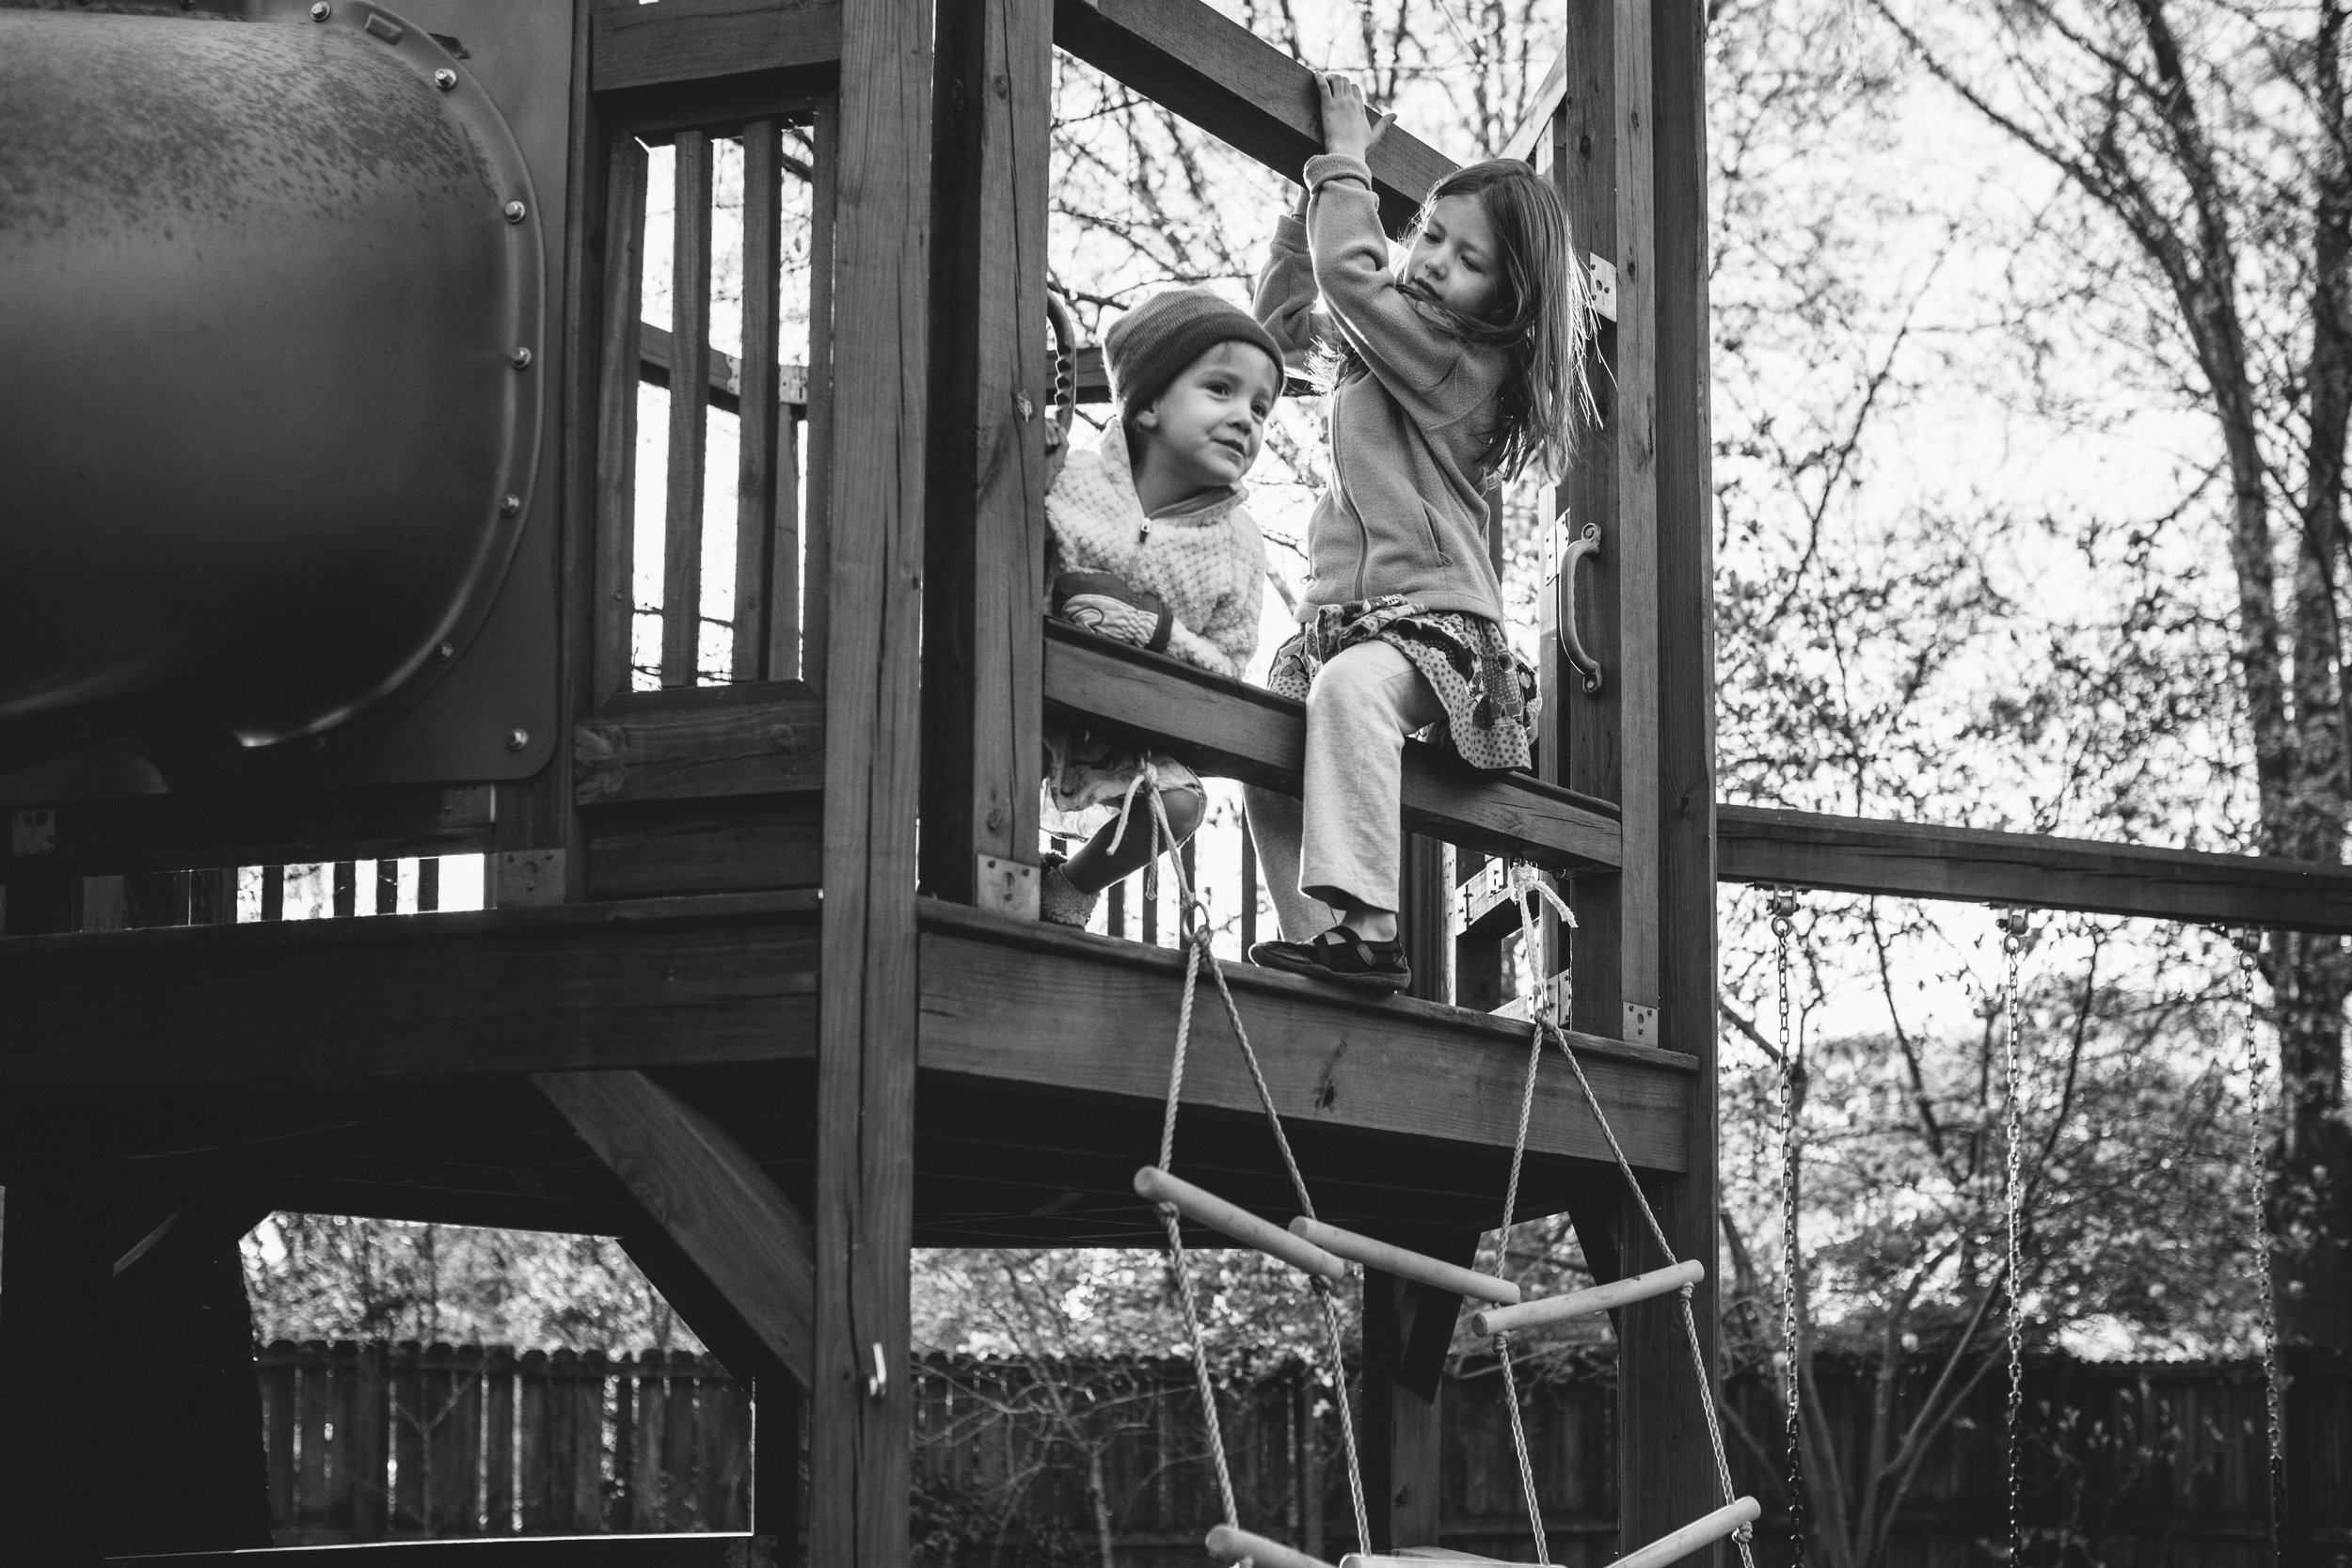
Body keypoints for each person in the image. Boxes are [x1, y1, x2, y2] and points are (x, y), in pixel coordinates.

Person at [1243, 71, 1594, 993]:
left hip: (1433, 637)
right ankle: (1321, 939)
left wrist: (1344, 159)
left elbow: (1351, 275)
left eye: (1465, 258)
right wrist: (1302, 207)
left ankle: (1371, 928)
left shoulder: (1456, 364)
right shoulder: (1385, 353)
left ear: (1505, 297)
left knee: (1351, 689)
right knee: (1265, 745)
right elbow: (1279, 337)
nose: (1433, 259)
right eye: (1429, 234)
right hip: (1345, 621)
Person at [1038, 288, 1286, 927]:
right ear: (1147, 405)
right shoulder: (1075, 480)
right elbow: (1024, 564)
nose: (1246, 418)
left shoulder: (1238, 544)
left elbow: (1228, 664)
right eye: (1221, 389)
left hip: (1135, 731)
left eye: (1261, 408)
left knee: (1179, 805)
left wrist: (1155, 631)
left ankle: (1070, 888)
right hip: (1035, 703)